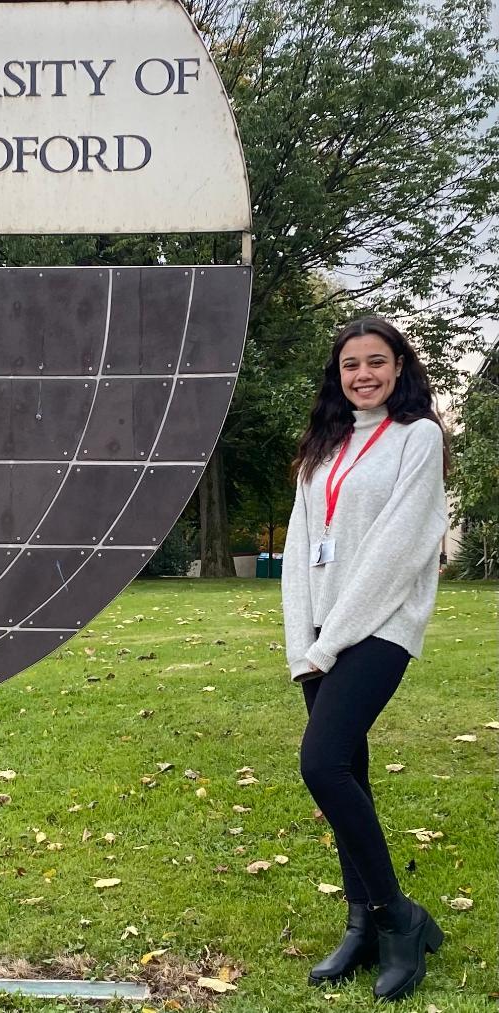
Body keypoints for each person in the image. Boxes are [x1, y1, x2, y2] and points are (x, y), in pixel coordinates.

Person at [281, 317, 450, 1002]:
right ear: (337, 375)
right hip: (321, 631)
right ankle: (362, 921)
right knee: (349, 766)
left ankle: (398, 917)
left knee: (320, 763)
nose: (363, 375)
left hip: (379, 627)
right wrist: (303, 642)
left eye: (377, 361)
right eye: (350, 365)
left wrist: (331, 640)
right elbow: (299, 549)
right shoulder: (323, 445)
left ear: (401, 365)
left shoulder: (419, 438)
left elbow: (399, 550)